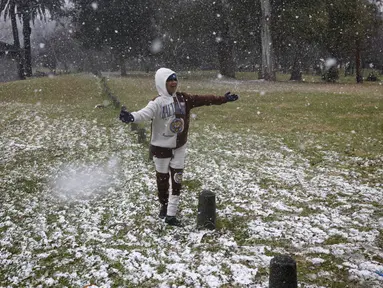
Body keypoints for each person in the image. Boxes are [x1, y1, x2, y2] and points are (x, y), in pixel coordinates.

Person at [119, 68, 239, 226]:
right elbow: (145, 113)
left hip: (179, 147)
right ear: (162, 83)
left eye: (175, 79)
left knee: (177, 179)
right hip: (161, 149)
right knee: (162, 180)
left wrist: (222, 99)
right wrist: (131, 117)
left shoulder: (184, 99)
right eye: (169, 80)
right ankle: (164, 205)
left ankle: (171, 215)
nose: (173, 82)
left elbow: (204, 99)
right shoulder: (157, 102)